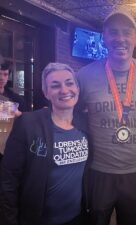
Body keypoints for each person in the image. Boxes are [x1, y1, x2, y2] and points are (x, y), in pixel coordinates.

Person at [76, 9, 136, 225]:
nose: (120, 39)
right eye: (113, 33)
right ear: (104, 38)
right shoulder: (83, 76)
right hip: (99, 173)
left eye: (126, 33)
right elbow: (67, 112)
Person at [0, 63, 89, 225]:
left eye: (69, 83)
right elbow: (8, 181)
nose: (64, 90)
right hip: (38, 219)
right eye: (55, 86)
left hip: (77, 217)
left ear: (77, 88)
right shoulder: (28, 124)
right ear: (46, 93)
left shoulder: (86, 124)